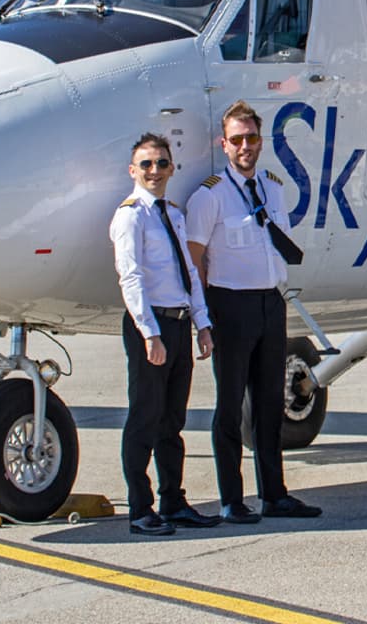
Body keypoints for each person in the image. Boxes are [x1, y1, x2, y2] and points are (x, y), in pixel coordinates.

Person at [186, 100, 322, 524]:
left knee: (268, 404)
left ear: (261, 142)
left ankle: (274, 494)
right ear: (223, 144)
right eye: (237, 139)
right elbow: (195, 259)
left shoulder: (273, 187)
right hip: (230, 304)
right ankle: (232, 499)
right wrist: (203, 317)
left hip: (269, 302)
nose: (246, 146)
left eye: (252, 138)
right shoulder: (210, 196)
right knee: (229, 406)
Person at [110, 133, 220, 535]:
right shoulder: (130, 215)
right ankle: (141, 508)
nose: (154, 171)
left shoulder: (172, 213)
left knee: (172, 420)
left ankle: (174, 500)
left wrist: (202, 323)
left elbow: (189, 273)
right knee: (144, 417)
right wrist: (149, 334)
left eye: (161, 163)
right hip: (150, 325)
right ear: (133, 171)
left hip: (177, 322)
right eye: (146, 164)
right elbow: (131, 276)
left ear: (172, 168)